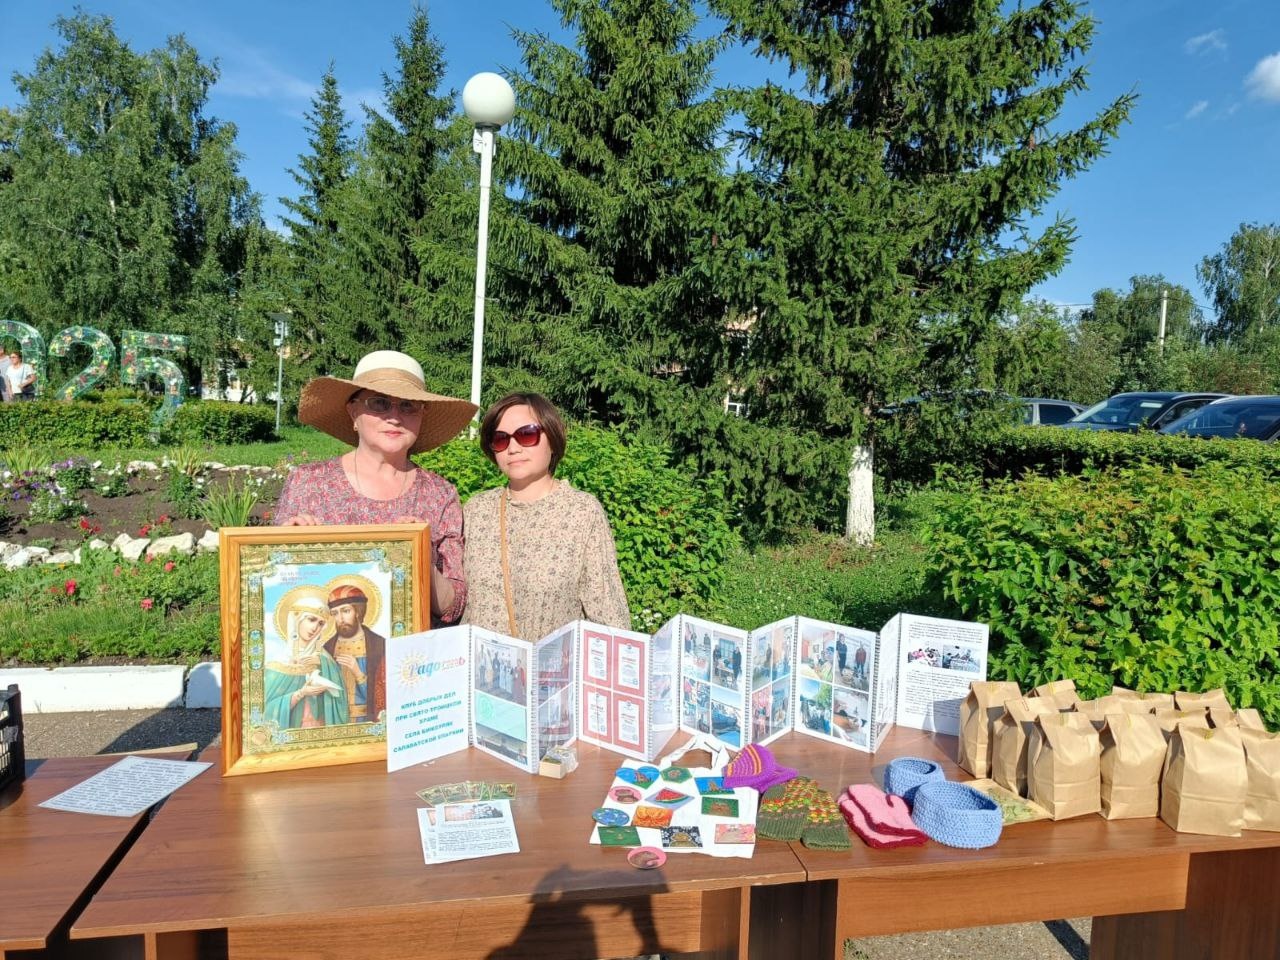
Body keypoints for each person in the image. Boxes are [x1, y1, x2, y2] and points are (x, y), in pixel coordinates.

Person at [274, 350, 477, 626]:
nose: (394, 417)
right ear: (353, 412)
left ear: (421, 415)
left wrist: (421, 558)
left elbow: (453, 608)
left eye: (408, 405)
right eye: (379, 403)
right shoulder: (308, 483)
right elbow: (273, 586)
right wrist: (286, 551)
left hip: (412, 651)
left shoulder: (439, 495)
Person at [463, 392, 630, 641]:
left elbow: (608, 614)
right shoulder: (477, 511)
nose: (513, 448)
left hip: (551, 664)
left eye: (526, 434)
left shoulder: (581, 512)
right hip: (480, 663)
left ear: (552, 438)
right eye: (501, 439)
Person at [263, 590, 349, 729]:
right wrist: (301, 693)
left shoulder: (323, 658)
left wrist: (323, 663)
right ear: (297, 619)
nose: (315, 628)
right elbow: (267, 709)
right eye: (311, 619)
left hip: (320, 727)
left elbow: (340, 696)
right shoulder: (279, 660)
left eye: (321, 623)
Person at [324, 584, 387, 723]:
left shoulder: (379, 645)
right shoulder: (327, 648)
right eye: (335, 613)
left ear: (358, 611)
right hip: (336, 721)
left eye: (345, 611)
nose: (340, 618)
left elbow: (384, 694)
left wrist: (357, 672)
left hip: (366, 720)